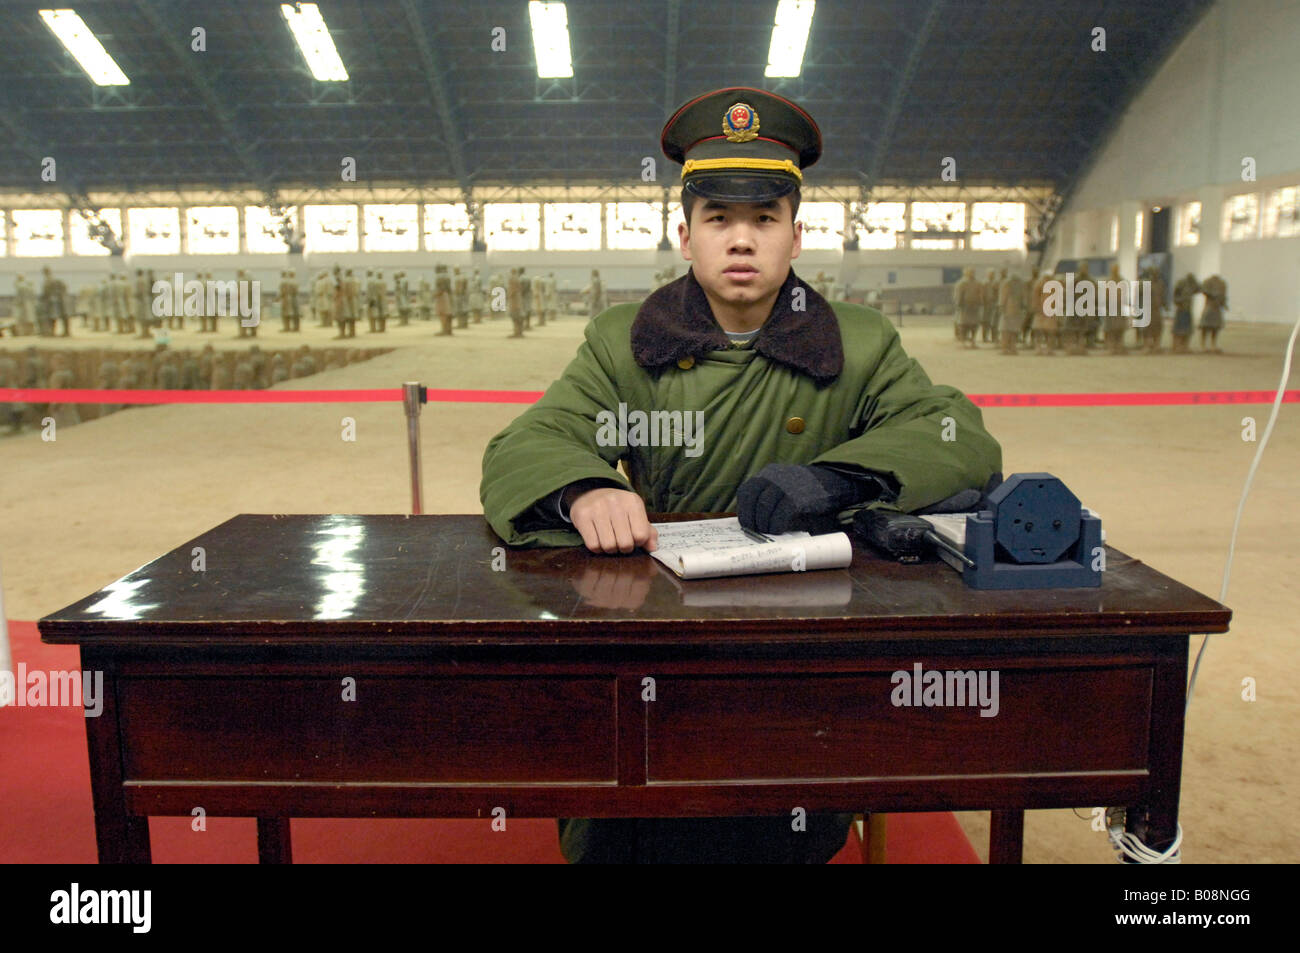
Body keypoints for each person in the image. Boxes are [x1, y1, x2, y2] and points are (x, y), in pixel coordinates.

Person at [480, 87, 1002, 865]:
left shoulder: (858, 343)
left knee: (781, 827)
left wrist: (840, 479)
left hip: (796, 658)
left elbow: (959, 437)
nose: (742, 240)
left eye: (764, 219)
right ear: (684, 233)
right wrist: (583, 487)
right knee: (630, 829)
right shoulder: (624, 342)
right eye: (719, 218)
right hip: (657, 643)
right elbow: (526, 443)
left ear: (798, 233)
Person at [952, 267, 981, 348]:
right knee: (963, 325)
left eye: (973, 272)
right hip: (964, 306)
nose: (972, 274)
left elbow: (980, 294)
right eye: (970, 272)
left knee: (974, 325)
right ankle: (963, 342)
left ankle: (973, 341)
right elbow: (957, 295)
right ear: (965, 273)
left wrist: (980, 302)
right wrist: (958, 304)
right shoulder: (961, 283)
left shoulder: (977, 283)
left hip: (974, 307)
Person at [1172, 272, 1199, 354]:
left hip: (1188, 309)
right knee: (1178, 330)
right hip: (1181, 309)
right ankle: (1176, 346)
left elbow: (1198, 289)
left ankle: (1185, 346)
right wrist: (1180, 301)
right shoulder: (1181, 284)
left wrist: (1194, 281)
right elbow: (1175, 296)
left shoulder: (1192, 285)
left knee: (1188, 330)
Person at [1199, 274, 1227, 352]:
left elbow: (1223, 296)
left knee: (1215, 327)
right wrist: (1212, 294)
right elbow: (1204, 290)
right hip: (1209, 306)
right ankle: (1203, 345)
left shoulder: (1222, 284)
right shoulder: (1208, 282)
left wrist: (1224, 304)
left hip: (1217, 308)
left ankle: (1213, 345)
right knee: (1205, 326)